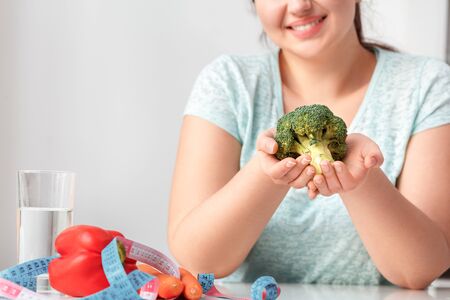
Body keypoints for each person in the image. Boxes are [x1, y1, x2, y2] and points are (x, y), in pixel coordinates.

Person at [168, 0, 450, 289]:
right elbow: (200, 262)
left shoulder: (427, 85)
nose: (300, 5)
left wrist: (362, 180)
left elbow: (419, 270)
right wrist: (267, 174)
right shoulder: (228, 83)